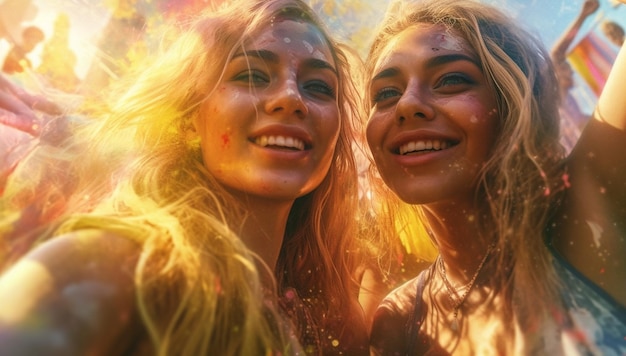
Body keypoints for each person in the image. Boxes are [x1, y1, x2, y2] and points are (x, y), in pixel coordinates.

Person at [0, 0, 370, 354]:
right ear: (191, 116)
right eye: (253, 75)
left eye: (319, 86)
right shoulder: (114, 268)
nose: (291, 98)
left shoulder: (321, 315)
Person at [364, 0, 626, 354]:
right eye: (386, 94)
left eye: (451, 80)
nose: (407, 104)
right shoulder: (398, 321)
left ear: (510, 103)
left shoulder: (584, 205)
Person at [551, 0, 600, 153]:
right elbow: (557, 54)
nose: (571, 72)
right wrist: (583, 16)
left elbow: (581, 123)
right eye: (566, 68)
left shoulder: (568, 103)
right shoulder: (551, 102)